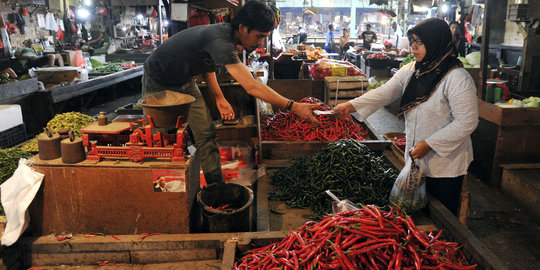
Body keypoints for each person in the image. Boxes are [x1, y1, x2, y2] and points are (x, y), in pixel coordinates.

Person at [142, 1, 320, 185]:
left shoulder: (227, 36)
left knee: (206, 134)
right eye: (259, 36)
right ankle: (162, 194)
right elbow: (252, 86)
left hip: (185, 82)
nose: (260, 42)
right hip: (158, 81)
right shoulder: (221, 40)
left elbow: (207, 65)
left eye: (264, 37)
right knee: (160, 142)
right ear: (243, 28)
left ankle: (216, 189)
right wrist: (294, 106)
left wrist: (219, 97)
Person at [332, 18, 478, 216]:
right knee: (417, 213)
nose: (413, 48)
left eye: (420, 42)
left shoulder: (457, 78)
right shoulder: (413, 70)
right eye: (412, 42)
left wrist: (430, 144)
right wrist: (351, 106)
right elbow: (386, 92)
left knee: (442, 216)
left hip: (446, 162)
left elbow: (466, 122)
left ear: (436, 41)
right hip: (416, 155)